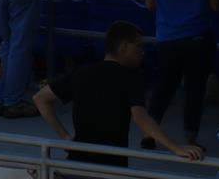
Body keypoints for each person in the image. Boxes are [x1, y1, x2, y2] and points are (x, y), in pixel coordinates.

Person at [35, 21, 206, 164]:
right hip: (111, 164)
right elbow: (140, 117)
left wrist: (65, 136)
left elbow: (40, 98)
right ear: (124, 46)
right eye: (138, 46)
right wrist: (175, 147)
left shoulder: (80, 72)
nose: (142, 52)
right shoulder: (131, 77)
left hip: (78, 160)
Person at [144, 0, 219, 147]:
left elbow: (150, 4)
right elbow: (215, 5)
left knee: (164, 87)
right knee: (194, 90)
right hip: (198, 38)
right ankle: (190, 137)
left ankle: (150, 133)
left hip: (167, 38)